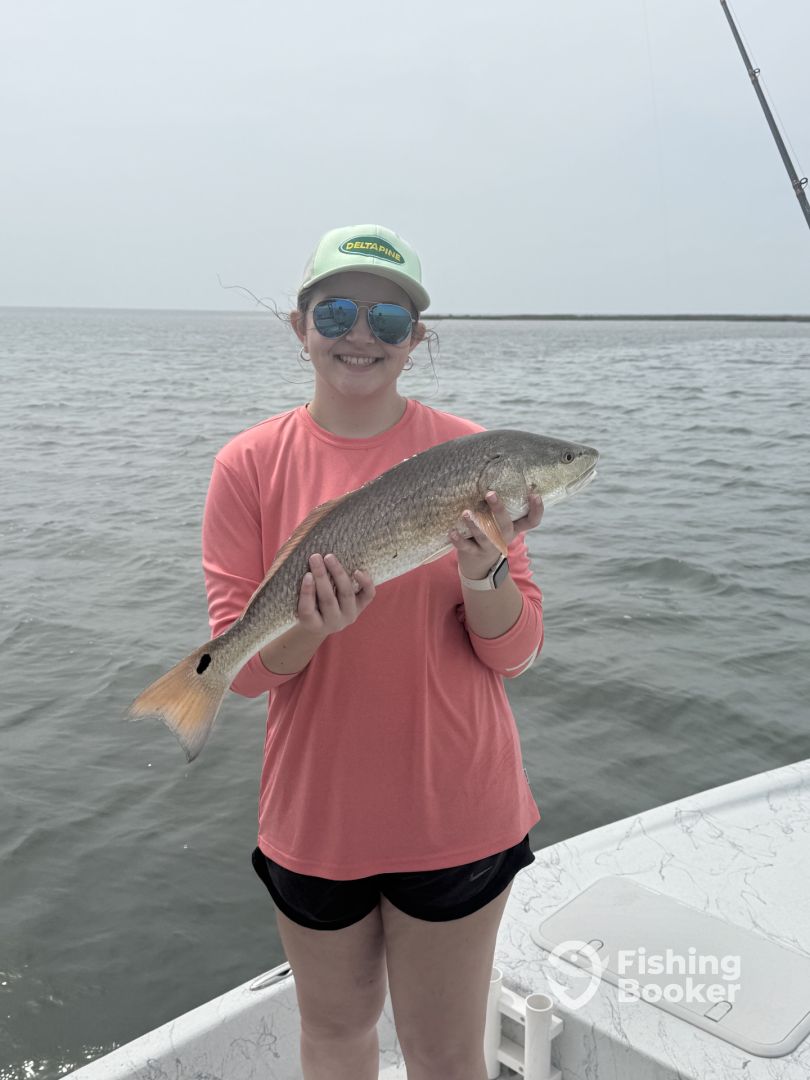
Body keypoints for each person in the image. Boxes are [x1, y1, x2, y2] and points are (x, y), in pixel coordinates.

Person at [201, 224, 544, 1080]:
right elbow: (243, 675)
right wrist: (311, 625)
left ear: (416, 339)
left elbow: (514, 653)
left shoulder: (478, 457)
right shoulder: (247, 465)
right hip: (317, 816)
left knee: (446, 1053)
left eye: (389, 320)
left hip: (456, 808)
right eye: (338, 313)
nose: (362, 334)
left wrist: (485, 568)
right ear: (300, 326)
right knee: (334, 1034)